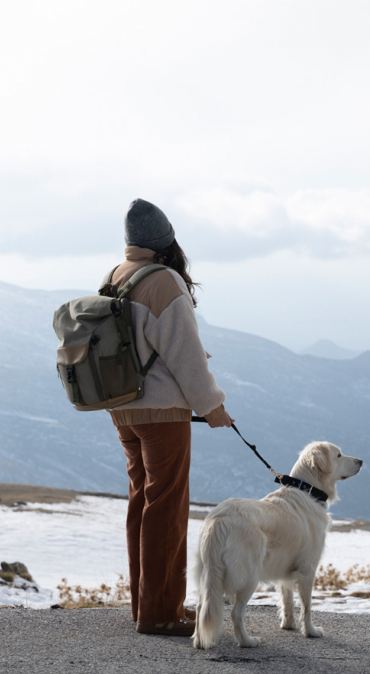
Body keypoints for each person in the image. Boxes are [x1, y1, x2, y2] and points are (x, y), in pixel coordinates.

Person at [108, 198, 233, 637]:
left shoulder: (117, 276)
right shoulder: (164, 281)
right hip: (162, 412)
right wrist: (213, 406)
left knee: (142, 502)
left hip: (123, 409)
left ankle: (146, 607)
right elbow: (184, 355)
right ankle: (161, 613)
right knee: (167, 509)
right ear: (166, 242)